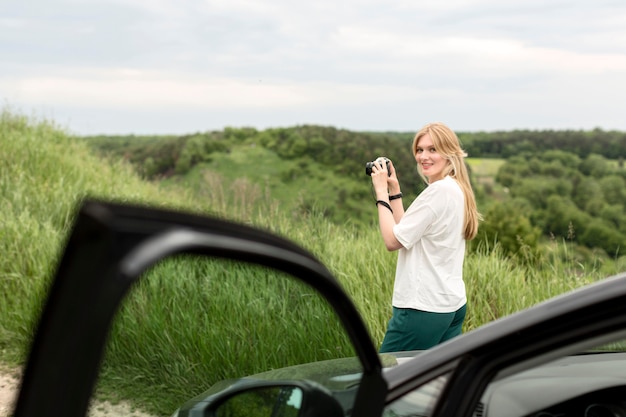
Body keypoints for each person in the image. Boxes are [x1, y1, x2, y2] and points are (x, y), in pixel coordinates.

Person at [369, 122, 481, 352]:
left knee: (386, 378)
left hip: (422, 308)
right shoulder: (455, 188)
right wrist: (394, 190)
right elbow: (405, 232)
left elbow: (392, 241)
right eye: (419, 150)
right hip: (450, 305)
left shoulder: (438, 192)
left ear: (449, 153)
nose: (423, 156)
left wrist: (380, 192)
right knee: (432, 381)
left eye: (433, 149)